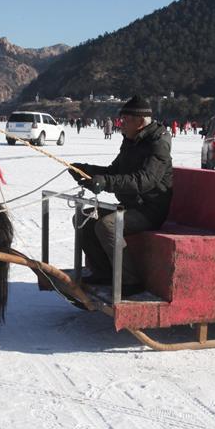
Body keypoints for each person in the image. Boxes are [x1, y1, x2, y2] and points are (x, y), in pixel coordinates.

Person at [69, 95, 173, 295]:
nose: (121, 124)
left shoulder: (158, 144)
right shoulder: (131, 141)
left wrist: (105, 182)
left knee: (107, 225)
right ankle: (104, 272)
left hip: (150, 210)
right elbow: (114, 170)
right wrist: (87, 170)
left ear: (140, 122)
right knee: (83, 217)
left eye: (125, 120)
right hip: (132, 205)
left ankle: (131, 281)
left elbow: (145, 180)